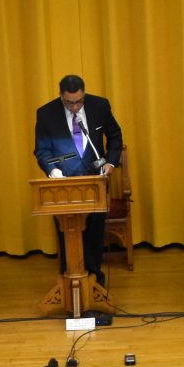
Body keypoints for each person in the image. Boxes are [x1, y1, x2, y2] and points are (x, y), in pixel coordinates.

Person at [33, 74, 124, 286]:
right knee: (68, 236)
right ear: (61, 96)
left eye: (79, 102)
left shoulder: (99, 106)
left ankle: (94, 282)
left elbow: (115, 135)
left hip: (95, 184)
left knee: (94, 234)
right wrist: (52, 171)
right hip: (64, 188)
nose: (75, 107)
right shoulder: (46, 114)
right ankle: (69, 283)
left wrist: (110, 162)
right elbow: (42, 150)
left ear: (84, 94)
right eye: (69, 103)